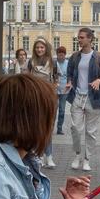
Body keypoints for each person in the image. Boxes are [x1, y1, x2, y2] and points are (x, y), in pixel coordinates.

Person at [65, 28, 100, 172]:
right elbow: (70, 73)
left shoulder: (99, 57)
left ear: (90, 39)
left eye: (82, 37)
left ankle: (87, 159)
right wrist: (69, 82)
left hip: (93, 98)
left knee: (91, 132)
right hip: (78, 96)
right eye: (78, 37)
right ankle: (78, 155)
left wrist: (99, 80)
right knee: (75, 128)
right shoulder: (74, 57)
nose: (79, 40)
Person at [26, 38, 59, 167]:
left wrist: (53, 88)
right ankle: (37, 155)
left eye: (42, 47)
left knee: (48, 128)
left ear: (46, 49)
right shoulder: (31, 62)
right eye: (37, 47)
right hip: (35, 98)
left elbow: (56, 79)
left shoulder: (52, 62)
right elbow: (28, 79)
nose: (39, 50)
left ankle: (49, 156)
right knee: (35, 127)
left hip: (49, 98)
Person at [54, 46, 70, 135]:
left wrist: (69, 83)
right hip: (54, 90)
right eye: (59, 55)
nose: (60, 57)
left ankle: (59, 128)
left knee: (62, 110)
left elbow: (70, 76)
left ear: (65, 55)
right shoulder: (53, 63)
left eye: (62, 55)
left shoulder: (68, 63)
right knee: (53, 109)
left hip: (64, 90)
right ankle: (50, 127)